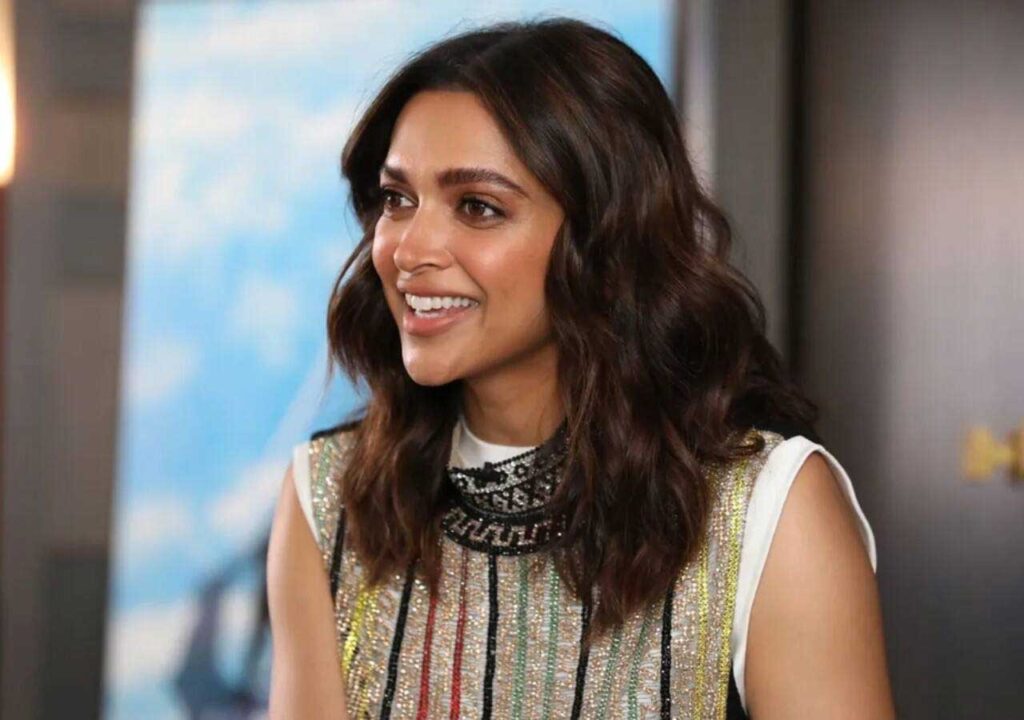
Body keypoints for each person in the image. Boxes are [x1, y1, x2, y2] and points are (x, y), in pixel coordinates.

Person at [267, 17, 895, 719]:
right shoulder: (332, 498)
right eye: (397, 199)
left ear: (606, 239)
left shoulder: (767, 511)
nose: (409, 250)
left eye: (477, 207)